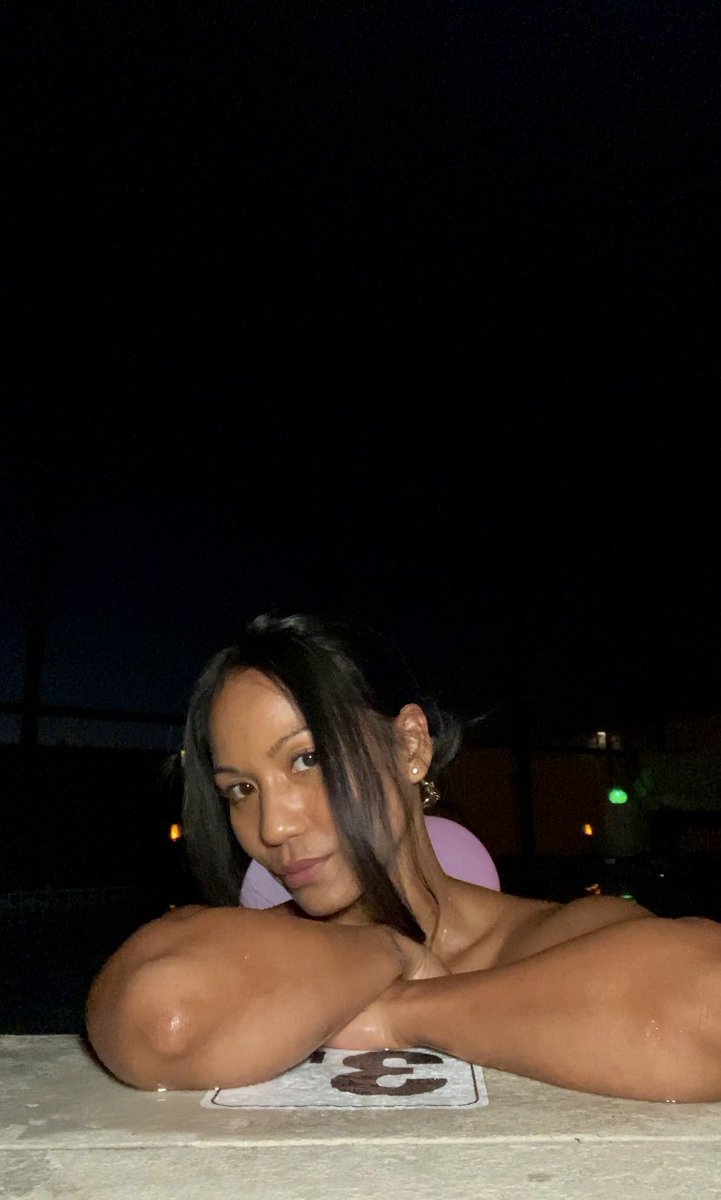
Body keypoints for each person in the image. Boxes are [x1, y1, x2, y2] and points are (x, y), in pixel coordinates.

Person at [85, 611, 721, 1103]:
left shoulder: (553, 939)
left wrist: (402, 1013)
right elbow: (161, 1021)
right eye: (241, 791)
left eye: (308, 758)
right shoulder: (250, 951)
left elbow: (704, 1001)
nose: (273, 826)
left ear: (411, 746)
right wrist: (387, 950)